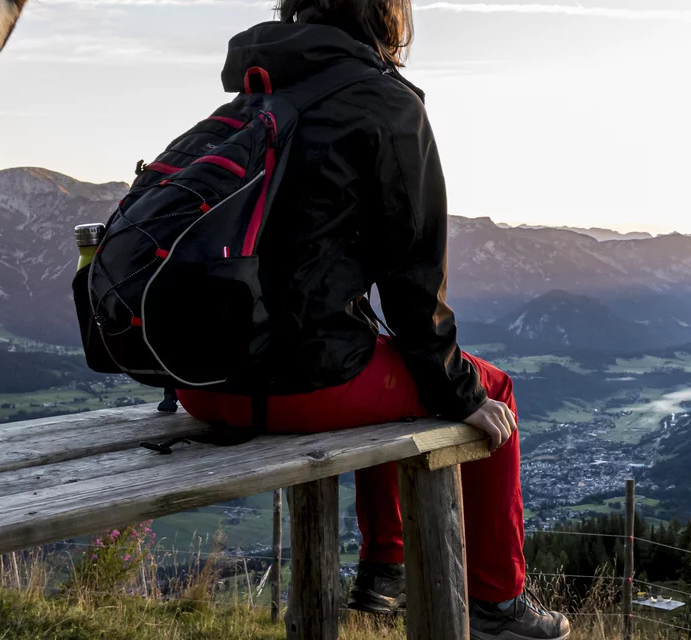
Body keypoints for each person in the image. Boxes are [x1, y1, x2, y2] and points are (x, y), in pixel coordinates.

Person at [173, 2, 568, 637]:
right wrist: (459, 390)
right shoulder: (386, 105)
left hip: (200, 383)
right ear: (390, 16)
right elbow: (414, 281)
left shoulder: (248, 100)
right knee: (490, 389)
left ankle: (387, 567)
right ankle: (497, 603)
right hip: (294, 389)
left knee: (373, 354)